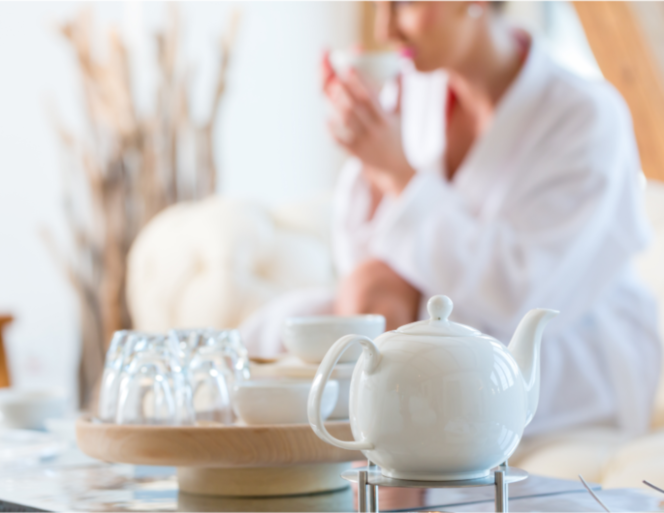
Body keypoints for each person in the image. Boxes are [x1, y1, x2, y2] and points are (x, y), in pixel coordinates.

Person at [241, 1, 660, 439]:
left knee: (361, 336)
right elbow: (361, 259)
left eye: (403, 4)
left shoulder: (586, 116)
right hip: (429, 321)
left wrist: (400, 174)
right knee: (285, 330)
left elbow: (519, 291)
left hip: (562, 352)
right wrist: (368, 148)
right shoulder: (416, 91)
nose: (386, 28)